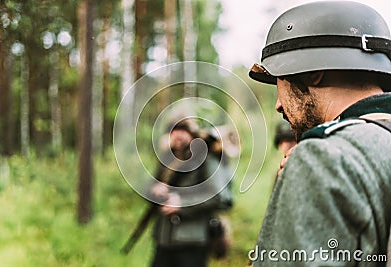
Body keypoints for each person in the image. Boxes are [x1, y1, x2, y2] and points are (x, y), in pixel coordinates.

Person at [248, 1, 391, 266]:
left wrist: (307, 174)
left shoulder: (323, 157)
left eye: (281, 81)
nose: (278, 104)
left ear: (314, 72)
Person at [148, 118, 233, 267]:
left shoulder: (206, 155)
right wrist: (154, 190)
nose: (177, 134)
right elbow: (151, 186)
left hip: (192, 243)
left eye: (183, 129)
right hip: (164, 240)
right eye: (173, 130)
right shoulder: (168, 157)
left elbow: (219, 196)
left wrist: (183, 204)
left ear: (192, 133)